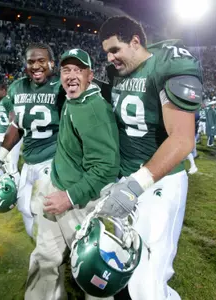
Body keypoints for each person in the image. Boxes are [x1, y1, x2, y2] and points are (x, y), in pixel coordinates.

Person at [98, 16, 202, 300]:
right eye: (106, 52)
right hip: (127, 179)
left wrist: (135, 185)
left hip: (160, 183)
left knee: (148, 287)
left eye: (115, 49)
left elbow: (182, 139)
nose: (110, 57)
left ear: (135, 41)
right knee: (121, 266)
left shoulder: (167, 62)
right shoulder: (118, 73)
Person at [25, 49, 120, 300]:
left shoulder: (93, 110)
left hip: (78, 201)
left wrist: (67, 197)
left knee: (91, 270)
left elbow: (106, 168)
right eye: (67, 70)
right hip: (56, 189)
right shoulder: (72, 99)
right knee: (45, 258)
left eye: (78, 70)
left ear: (91, 75)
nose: (71, 75)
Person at [0, 43, 63, 238]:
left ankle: (55, 250)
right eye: (31, 62)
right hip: (29, 160)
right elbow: (16, 125)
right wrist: (0, 157)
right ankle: (39, 246)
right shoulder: (17, 87)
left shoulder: (61, 87)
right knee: (23, 207)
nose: (36, 66)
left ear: (52, 63)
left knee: (47, 211)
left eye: (41, 61)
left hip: (52, 159)